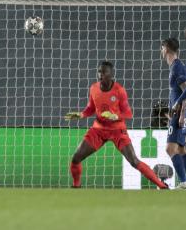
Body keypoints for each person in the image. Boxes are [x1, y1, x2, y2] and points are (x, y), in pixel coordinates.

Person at [65, 61, 167, 189]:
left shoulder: (119, 90)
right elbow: (91, 108)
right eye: (99, 71)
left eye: (104, 72)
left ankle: (162, 185)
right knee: (76, 158)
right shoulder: (93, 88)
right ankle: (76, 186)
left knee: (134, 161)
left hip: (117, 131)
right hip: (98, 130)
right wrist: (81, 115)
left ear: (111, 74)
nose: (100, 75)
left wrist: (116, 116)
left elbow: (128, 113)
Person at [160, 38, 186, 189]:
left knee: (170, 148)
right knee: (181, 149)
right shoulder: (175, 67)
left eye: (162, 47)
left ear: (167, 48)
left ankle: (183, 182)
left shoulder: (177, 67)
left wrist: (181, 113)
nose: (161, 51)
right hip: (176, 114)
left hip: (180, 115)